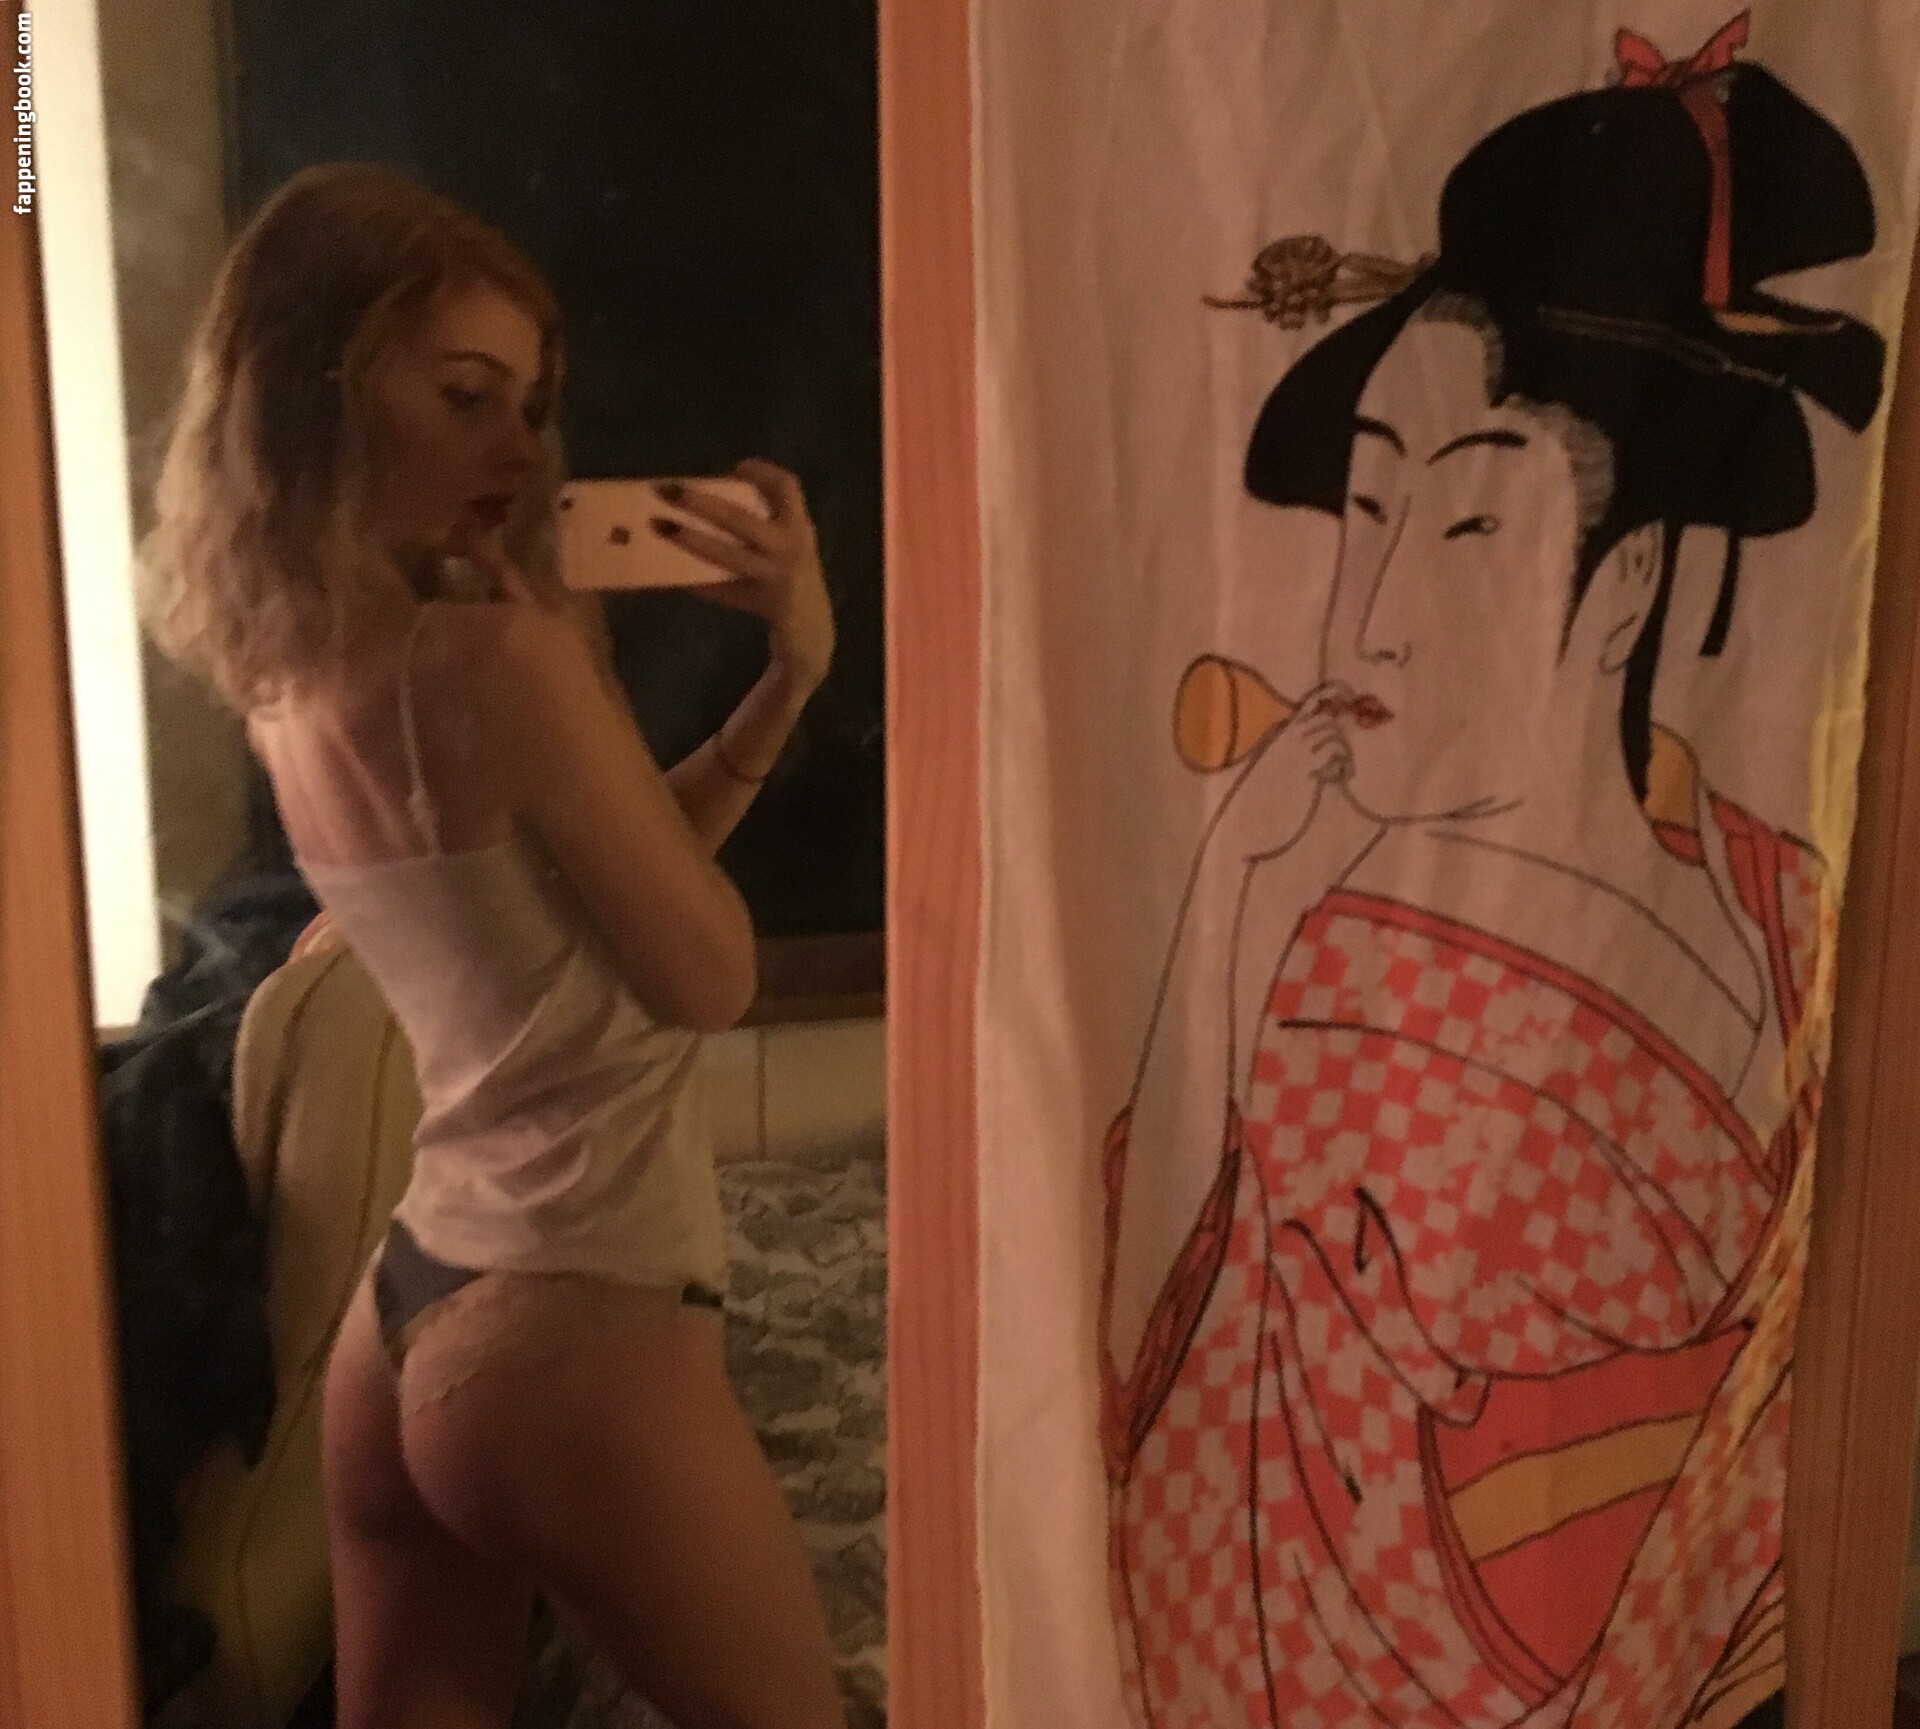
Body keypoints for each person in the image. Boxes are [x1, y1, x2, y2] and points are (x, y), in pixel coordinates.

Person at [1099, 20, 1884, 1729]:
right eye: (1367, 511)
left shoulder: (1792, 914)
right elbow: (1153, 1372)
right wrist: (1228, 893)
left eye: (1464, 525)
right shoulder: (1337, 966)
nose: (1368, 617)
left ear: (1628, 583)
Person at [136, 161, 845, 1729]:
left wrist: (779, 689)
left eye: (527, 403)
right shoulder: (493, 659)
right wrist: (768, 645)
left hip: (411, 1310)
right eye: (464, 395)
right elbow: (707, 973)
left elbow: (583, 909)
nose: (518, 447)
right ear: (318, 390)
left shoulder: (291, 678)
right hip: (575, 1314)